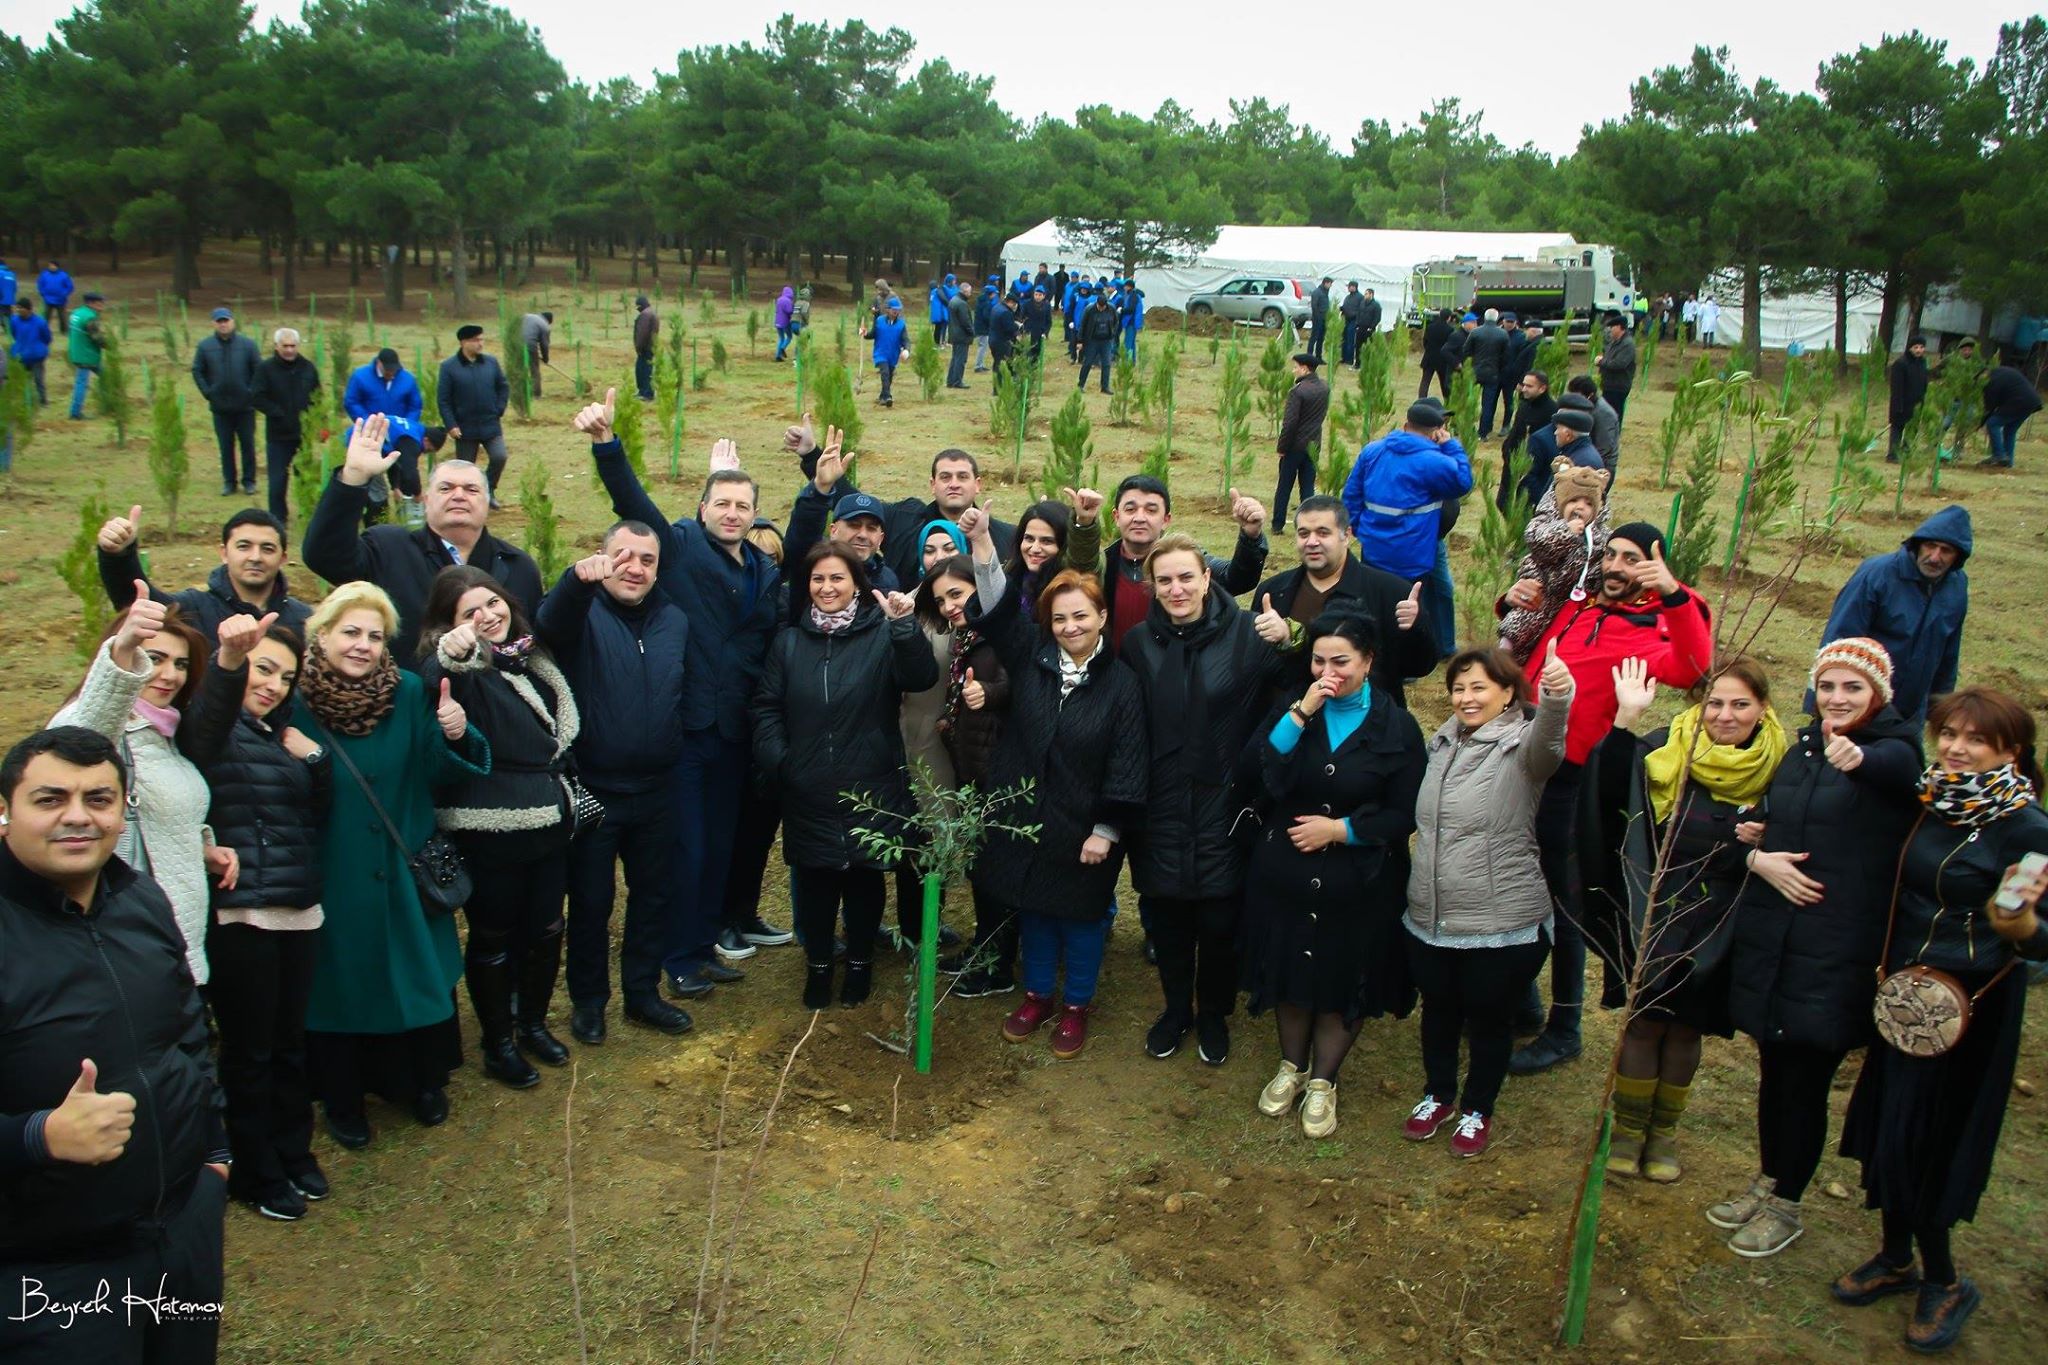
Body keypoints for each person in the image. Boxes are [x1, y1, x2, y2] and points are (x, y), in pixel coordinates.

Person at [0, 727, 231, 1364]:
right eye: (49, 799)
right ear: (5, 811)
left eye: (98, 799)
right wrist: (37, 1136)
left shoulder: (140, 898)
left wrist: (214, 1151)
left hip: (183, 1226)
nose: (78, 816)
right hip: (51, 1269)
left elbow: (187, 1026)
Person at [1834, 688, 2048, 1354]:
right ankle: (1896, 1256)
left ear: (2010, 750)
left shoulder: (2029, 829)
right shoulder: (1934, 797)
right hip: (1907, 1000)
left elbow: (2039, 940)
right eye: (1949, 732)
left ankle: (1946, 1280)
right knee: (1892, 1123)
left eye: (1976, 739)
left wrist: (2019, 922)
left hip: (1970, 1008)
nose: (1957, 746)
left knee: (1933, 1138)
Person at [1711, 638, 1921, 1259]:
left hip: (1836, 946)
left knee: (1804, 1077)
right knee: (1775, 1072)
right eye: (1827, 686)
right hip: (1779, 937)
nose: (1836, 699)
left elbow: (1899, 776)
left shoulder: (1893, 754)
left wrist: (1859, 760)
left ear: (1878, 694)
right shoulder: (1804, 750)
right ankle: (1769, 1177)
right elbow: (1788, 813)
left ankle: (1789, 1201)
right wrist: (1758, 828)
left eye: (1852, 688)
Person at [579, 390, 786, 1001]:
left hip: (734, 731)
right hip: (686, 730)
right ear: (701, 509)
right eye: (721, 502)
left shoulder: (762, 568)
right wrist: (607, 445)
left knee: (719, 847)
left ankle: (701, 947)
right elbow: (631, 503)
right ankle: (676, 957)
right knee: (686, 849)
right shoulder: (680, 549)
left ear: (754, 513)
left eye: (742, 505)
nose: (731, 512)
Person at [1501, 521, 1715, 1073]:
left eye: (1632, 560)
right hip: (1523, 763)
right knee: (1518, 881)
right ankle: (1523, 1001)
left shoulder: (1653, 627)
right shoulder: (1579, 605)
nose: (1617, 567)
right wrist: (1513, 601)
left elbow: (1694, 667)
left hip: (1576, 779)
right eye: (1613, 555)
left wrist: (1672, 592)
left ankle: (1565, 1026)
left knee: (1567, 902)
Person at [290, 581, 488, 1148]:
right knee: (340, 987)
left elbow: (439, 763)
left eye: (375, 637)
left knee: (414, 977)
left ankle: (421, 1084)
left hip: (404, 868)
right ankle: (344, 1100)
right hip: (336, 871)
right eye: (350, 632)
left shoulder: (404, 692)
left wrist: (456, 731)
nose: (362, 646)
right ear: (321, 634)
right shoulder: (293, 703)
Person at [1606, 657, 1789, 1184]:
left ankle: (1663, 1133)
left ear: (1762, 708)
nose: (1725, 715)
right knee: (1644, 1023)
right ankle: (1627, 1130)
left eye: (1740, 704)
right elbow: (1614, 796)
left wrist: (1759, 840)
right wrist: (1626, 721)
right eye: (1714, 702)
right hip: (1659, 909)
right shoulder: (1667, 749)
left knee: (1687, 1029)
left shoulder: (1780, 768)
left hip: (1724, 918)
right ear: (1697, 704)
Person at [953, 565, 1145, 1057]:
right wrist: (980, 548)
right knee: (1034, 912)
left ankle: (1076, 1007)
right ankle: (1037, 997)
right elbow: (997, 611)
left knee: (1081, 920)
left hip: (1082, 825)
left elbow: (1127, 760)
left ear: (1103, 616)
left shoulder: (1122, 683)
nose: (1070, 627)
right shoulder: (1031, 660)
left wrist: (1106, 829)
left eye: (1081, 615)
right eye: (1059, 619)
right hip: (1025, 818)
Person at [1245, 612, 1424, 1138]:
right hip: (1287, 875)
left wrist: (1341, 829)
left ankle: (1323, 1080)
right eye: (1319, 660)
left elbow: (1405, 812)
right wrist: (1302, 711)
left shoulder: (1397, 727)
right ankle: (1290, 1066)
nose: (1328, 671)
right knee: (1292, 972)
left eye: (1341, 661)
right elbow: (1264, 771)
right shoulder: (1298, 709)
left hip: (1361, 880)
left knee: (1342, 974)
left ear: (1368, 662)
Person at [178, 611, 331, 1221]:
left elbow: (315, 813)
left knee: (292, 1043)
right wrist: (229, 660)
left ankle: (294, 1152)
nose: (272, 685)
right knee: (250, 1050)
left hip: (298, 908)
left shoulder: (278, 736)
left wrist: (315, 761)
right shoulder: (209, 731)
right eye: (263, 669)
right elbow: (208, 720)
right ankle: (254, 1169)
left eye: (285, 677)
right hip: (243, 917)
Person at [1121, 532, 1290, 1065]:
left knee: (1220, 923)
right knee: (1166, 918)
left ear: (1207, 578)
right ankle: (1176, 1009)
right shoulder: (1138, 644)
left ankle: (1214, 1012)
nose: (1176, 589)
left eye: (1186, 577)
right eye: (1164, 580)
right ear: (1152, 586)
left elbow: (1293, 692)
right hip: (1159, 804)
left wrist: (1292, 639)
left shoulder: (1249, 635)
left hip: (1226, 803)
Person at [1403, 643, 1573, 1158]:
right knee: (1438, 1011)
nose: (1466, 697)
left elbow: (1550, 742)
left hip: (1500, 918)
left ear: (1507, 694)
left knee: (1487, 1015)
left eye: (1479, 687)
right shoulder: (1442, 742)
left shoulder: (1523, 746)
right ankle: (1438, 1095)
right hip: (1432, 913)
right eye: (1458, 687)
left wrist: (1557, 699)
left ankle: (1478, 1107)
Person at [753, 544, 939, 1008]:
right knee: (815, 881)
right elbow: (766, 707)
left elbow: (919, 677)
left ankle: (859, 963)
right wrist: (782, 760)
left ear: (856, 582)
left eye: (837, 578)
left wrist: (903, 628)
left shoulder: (880, 636)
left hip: (871, 783)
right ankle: (818, 966)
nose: (827, 588)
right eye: (818, 579)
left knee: (863, 878)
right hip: (808, 784)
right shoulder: (790, 643)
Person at [418, 566, 581, 1090]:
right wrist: (454, 650)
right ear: (450, 625)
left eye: (492, 603)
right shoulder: (463, 668)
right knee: (495, 932)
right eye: (470, 612)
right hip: (491, 826)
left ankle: (532, 1022)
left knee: (547, 926)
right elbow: (433, 675)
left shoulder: (529, 657)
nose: (487, 617)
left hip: (548, 819)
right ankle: (498, 1042)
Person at [537, 524, 696, 1042]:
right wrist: (574, 583)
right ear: (602, 559)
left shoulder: (673, 619)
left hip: (658, 788)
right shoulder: (582, 613)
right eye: (623, 556)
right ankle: (589, 1002)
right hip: (595, 788)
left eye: (647, 560)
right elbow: (549, 624)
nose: (635, 567)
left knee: (653, 896)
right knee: (591, 900)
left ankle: (643, 993)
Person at [52, 596, 221, 988]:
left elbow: (157, 817)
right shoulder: (99, 723)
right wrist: (124, 651)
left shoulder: (164, 733)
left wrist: (203, 848)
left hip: (174, 944)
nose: (170, 674)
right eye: (155, 658)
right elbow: (77, 745)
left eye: (180, 664)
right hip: (126, 948)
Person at [304, 413, 543, 667]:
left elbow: (531, 646)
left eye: (471, 489)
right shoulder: (389, 548)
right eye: (446, 488)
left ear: (487, 502)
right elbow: (324, 555)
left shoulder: (518, 566)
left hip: (491, 701)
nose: (459, 495)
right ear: (427, 500)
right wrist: (353, 478)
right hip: (410, 699)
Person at [1252, 495, 1435, 709]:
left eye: (1323, 532)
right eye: (1303, 534)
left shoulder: (1390, 593)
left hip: (1364, 727)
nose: (1312, 542)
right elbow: (1257, 667)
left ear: (1346, 535)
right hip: (1292, 723)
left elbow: (1419, 666)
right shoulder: (1274, 592)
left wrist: (1416, 627)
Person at [1818, 505, 1968, 726]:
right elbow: (1840, 638)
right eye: (1930, 546)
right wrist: (1823, 702)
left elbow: (1948, 653)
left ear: (1957, 557)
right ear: (1918, 544)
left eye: (1946, 550)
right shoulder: (1877, 575)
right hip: (1860, 704)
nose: (1935, 557)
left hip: (1911, 711)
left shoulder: (1956, 587)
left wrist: (1939, 708)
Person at [1343, 399, 1471, 658]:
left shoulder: (1373, 451)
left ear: (1405, 426)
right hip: (1414, 550)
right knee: (1409, 605)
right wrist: (1451, 446)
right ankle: (1405, 659)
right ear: (1436, 432)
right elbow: (1463, 481)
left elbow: (1352, 494)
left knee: (1375, 600)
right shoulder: (1434, 461)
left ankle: (1369, 650)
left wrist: (1359, 527)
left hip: (1374, 546)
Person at [99, 505, 315, 642]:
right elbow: (135, 602)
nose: (255, 557)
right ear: (224, 553)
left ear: (283, 558)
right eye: (243, 546)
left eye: (267, 549)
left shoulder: (304, 620)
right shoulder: (193, 609)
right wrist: (119, 555)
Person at [1100, 476, 1268, 652]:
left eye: (1151, 510)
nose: (1139, 518)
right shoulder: (1101, 566)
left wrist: (1250, 537)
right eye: (1130, 509)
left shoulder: (1187, 563)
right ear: (1116, 516)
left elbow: (1236, 578)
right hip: (1116, 673)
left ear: (1166, 519)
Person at [1497, 463, 1611, 663]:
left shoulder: (1600, 537)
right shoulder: (1547, 523)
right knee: (1522, 626)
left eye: (1588, 503)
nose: (1580, 507)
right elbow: (1537, 540)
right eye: (1574, 500)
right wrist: (1565, 531)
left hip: (1571, 603)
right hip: (1541, 591)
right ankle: (1505, 654)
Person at [249, 327, 320, 522]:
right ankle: (277, 518)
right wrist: (277, 413)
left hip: (303, 435)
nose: (289, 350)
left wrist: (317, 423)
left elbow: (317, 396)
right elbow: (256, 396)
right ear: (276, 346)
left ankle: (307, 512)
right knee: (278, 481)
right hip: (278, 436)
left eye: (293, 346)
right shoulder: (265, 369)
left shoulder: (308, 368)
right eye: (285, 346)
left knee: (305, 478)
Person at [437, 324, 511, 500]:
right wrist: (451, 425)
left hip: (490, 423)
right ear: (463, 342)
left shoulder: (491, 363)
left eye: (481, 339)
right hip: (464, 428)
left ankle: (488, 489)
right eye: (475, 340)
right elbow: (443, 400)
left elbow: (503, 386)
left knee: (500, 456)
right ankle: (468, 499)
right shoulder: (449, 367)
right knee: (465, 469)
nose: (480, 343)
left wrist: (498, 408)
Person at [193, 307, 261, 497]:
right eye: (219, 321)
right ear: (213, 324)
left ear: (233, 322)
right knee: (225, 445)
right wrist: (208, 392)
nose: (223, 324)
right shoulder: (205, 346)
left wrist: (251, 393)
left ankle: (249, 481)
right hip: (220, 407)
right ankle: (229, 482)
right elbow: (197, 370)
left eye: (226, 320)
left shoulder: (248, 345)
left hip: (245, 407)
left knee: (247, 444)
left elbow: (258, 370)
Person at [1273, 353, 1329, 529]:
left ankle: (1278, 523)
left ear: (1305, 369)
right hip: (1313, 445)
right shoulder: (1324, 388)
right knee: (1307, 487)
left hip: (1294, 446)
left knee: (1284, 487)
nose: (1293, 370)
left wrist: (1282, 447)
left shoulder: (1297, 392)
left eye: (1296, 366)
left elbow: (1290, 424)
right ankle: (1310, 523)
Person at [1498, 369, 1559, 503]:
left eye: (1529, 386)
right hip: (1512, 462)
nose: (1524, 389)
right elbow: (1516, 432)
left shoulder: (1552, 411)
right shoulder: (1525, 405)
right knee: (1502, 503)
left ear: (1542, 388)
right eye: (1523, 385)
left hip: (1533, 468)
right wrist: (1507, 450)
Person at [1977, 362, 2041, 469]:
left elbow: (1990, 407)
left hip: (2018, 402)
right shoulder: (2001, 371)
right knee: (2010, 430)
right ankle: (2008, 462)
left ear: (1984, 374)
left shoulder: (1991, 381)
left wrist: (1981, 422)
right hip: (2031, 402)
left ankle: (1999, 455)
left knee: (1993, 423)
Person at [1564, 377, 1621, 480]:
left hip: (1601, 468)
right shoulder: (1589, 407)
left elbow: (1605, 446)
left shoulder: (1603, 413)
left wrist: (1589, 464)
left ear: (1589, 395)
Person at [1886, 334, 1930, 463]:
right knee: (1897, 429)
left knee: (1912, 430)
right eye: (1915, 347)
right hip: (1901, 403)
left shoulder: (1923, 363)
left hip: (1916, 404)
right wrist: (1898, 405)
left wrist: (1922, 400)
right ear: (1910, 348)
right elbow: (1896, 387)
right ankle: (1893, 455)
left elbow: (1924, 383)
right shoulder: (1900, 364)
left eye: (1921, 347)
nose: (1918, 350)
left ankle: (1906, 452)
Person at [1468, 309, 1511, 438]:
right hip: (1493, 372)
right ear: (1497, 319)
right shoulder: (1503, 334)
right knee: (1488, 404)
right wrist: (1499, 367)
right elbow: (1506, 356)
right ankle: (1483, 433)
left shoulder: (1476, 332)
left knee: (1471, 401)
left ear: (1485, 318)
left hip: (1476, 371)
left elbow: (1466, 350)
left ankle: (1467, 427)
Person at [66, 289, 106, 420]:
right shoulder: (90, 317)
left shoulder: (76, 313)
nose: (102, 305)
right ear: (91, 303)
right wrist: (109, 345)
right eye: (99, 302)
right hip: (87, 355)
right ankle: (75, 413)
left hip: (77, 352)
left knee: (106, 376)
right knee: (82, 383)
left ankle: (109, 402)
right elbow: (97, 338)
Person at [865, 296, 907, 408]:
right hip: (880, 353)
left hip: (893, 354)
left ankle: (882, 396)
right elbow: (872, 334)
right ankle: (888, 396)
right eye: (894, 310)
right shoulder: (879, 321)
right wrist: (864, 334)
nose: (896, 312)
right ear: (888, 310)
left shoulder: (901, 324)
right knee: (885, 373)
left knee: (889, 376)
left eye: (898, 310)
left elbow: (905, 340)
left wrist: (906, 350)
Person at [9, 296, 51, 405]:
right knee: (22, 380)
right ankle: (24, 401)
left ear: (29, 309)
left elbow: (47, 338)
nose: (18, 310)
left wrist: (39, 347)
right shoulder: (14, 320)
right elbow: (14, 334)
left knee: (38, 380)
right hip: (21, 355)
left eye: (21, 308)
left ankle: (43, 401)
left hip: (36, 356)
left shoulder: (40, 322)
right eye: (17, 308)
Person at [1078, 290, 1120, 394]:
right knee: (1087, 363)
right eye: (1099, 306)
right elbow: (1082, 325)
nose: (1101, 309)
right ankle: (1081, 384)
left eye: (1103, 307)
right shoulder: (1089, 310)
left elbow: (1116, 322)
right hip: (1092, 340)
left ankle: (1104, 387)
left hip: (1106, 340)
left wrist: (1112, 333)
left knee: (1106, 364)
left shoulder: (1111, 309)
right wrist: (1080, 341)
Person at [1598, 314, 1636, 426]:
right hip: (1608, 384)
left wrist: (1601, 362)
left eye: (1612, 327)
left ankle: (1613, 439)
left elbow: (1619, 364)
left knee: (1614, 416)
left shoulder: (1627, 344)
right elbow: (1608, 358)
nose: (1610, 330)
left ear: (1620, 327)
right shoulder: (1613, 343)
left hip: (1618, 386)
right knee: (1605, 415)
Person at [1418, 309, 1454, 399]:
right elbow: (1450, 345)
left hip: (1429, 357)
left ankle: (1421, 399)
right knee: (1444, 383)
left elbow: (1425, 341)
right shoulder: (1450, 330)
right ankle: (1447, 400)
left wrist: (1428, 350)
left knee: (1425, 382)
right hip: (1442, 360)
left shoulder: (1430, 327)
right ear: (1449, 318)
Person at [944, 285, 974, 388]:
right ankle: (957, 381)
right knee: (960, 359)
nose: (970, 294)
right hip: (962, 335)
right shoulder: (961, 304)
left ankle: (951, 380)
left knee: (955, 358)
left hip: (954, 334)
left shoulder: (953, 300)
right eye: (969, 292)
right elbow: (965, 321)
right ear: (965, 292)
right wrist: (972, 332)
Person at [518, 311, 552, 398]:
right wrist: (545, 358)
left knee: (519, 368)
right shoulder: (545, 325)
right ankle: (536, 394)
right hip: (530, 345)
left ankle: (520, 392)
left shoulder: (527, 315)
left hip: (516, 343)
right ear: (549, 321)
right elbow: (544, 345)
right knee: (534, 370)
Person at [633, 294, 660, 397]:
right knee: (648, 370)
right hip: (651, 347)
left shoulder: (645, 315)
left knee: (642, 371)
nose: (637, 309)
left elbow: (642, 333)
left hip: (645, 348)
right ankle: (646, 392)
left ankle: (645, 393)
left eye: (637, 306)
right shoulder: (652, 313)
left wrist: (638, 347)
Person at [36, 259, 73, 332]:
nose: (51, 267)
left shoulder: (64, 275)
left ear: (57, 267)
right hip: (48, 299)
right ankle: (44, 330)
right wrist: (43, 293)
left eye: (53, 265)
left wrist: (64, 294)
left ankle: (64, 330)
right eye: (50, 265)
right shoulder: (44, 274)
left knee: (62, 316)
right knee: (46, 316)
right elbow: (40, 284)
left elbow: (69, 286)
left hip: (60, 300)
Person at [1338, 282, 1365, 366]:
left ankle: (1349, 359)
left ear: (1354, 287)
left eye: (1350, 287)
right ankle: (1344, 357)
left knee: (1350, 340)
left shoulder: (1360, 297)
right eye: (1348, 287)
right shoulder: (1348, 297)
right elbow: (1345, 306)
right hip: (1346, 320)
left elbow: (1361, 310)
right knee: (1344, 340)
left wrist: (1356, 317)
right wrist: (1341, 309)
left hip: (1354, 321)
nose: (1348, 288)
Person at [1306, 276, 1332, 363]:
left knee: (1321, 338)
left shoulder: (1325, 292)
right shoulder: (1317, 292)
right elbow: (1314, 306)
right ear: (1326, 283)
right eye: (1330, 284)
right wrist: (1317, 318)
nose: (1330, 286)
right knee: (1314, 337)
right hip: (1318, 319)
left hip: (1324, 318)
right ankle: (1309, 355)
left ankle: (1318, 356)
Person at [971, 282, 994, 373]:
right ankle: (978, 366)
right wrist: (991, 322)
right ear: (990, 294)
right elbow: (986, 316)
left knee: (983, 346)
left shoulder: (981, 300)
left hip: (979, 326)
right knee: (983, 346)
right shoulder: (987, 303)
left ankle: (981, 364)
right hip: (983, 328)